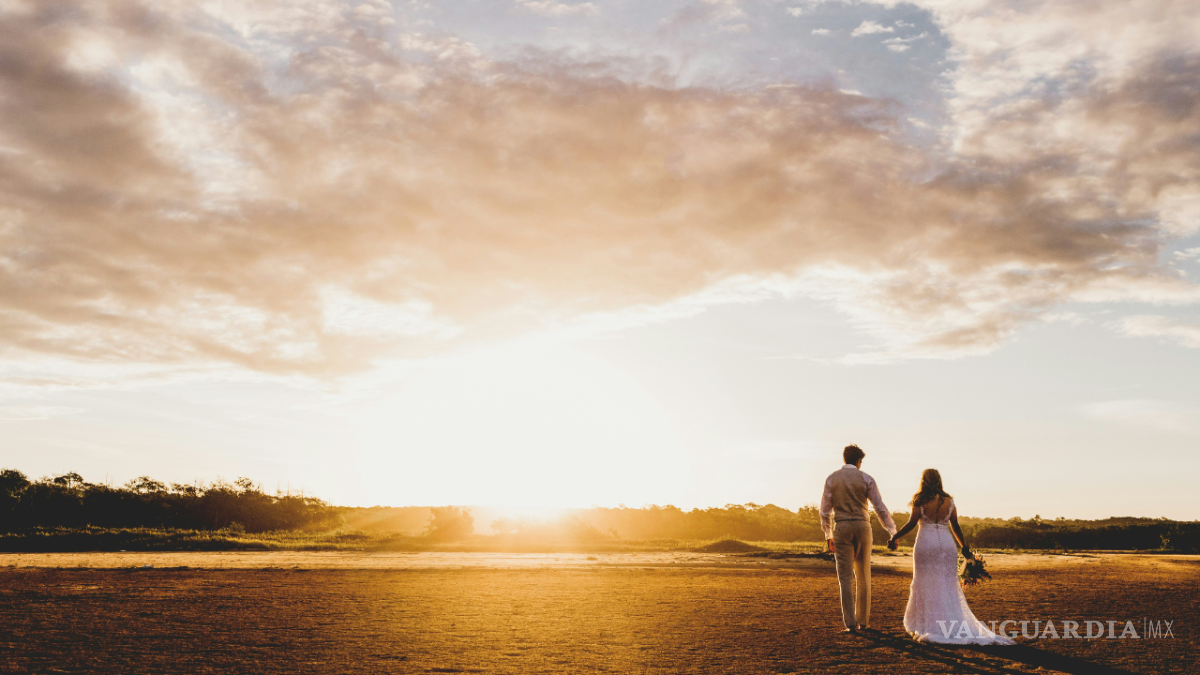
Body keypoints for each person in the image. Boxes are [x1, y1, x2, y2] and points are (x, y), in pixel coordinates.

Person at [888, 469, 1014, 644]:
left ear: (923, 481)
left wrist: (895, 537)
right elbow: (955, 525)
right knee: (947, 584)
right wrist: (964, 548)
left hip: (926, 544)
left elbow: (911, 523)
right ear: (939, 481)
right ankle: (949, 623)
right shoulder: (949, 501)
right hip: (947, 546)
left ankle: (929, 624)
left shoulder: (920, 499)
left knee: (924, 582)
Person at [819, 444, 896, 633]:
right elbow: (879, 507)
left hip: (842, 526)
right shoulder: (866, 478)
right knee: (863, 576)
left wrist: (828, 534)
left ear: (845, 459)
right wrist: (892, 530)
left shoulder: (832, 479)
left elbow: (824, 511)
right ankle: (863, 621)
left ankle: (850, 624)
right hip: (862, 526)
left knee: (844, 578)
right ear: (859, 461)